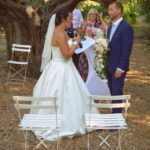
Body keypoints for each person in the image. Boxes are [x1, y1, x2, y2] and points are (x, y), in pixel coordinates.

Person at [31, 8, 99, 140]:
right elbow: (67, 55)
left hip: (59, 66)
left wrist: (75, 37)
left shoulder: (60, 32)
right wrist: (75, 41)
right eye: (70, 18)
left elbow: (66, 45)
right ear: (63, 19)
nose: (72, 20)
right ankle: (66, 123)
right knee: (63, 94)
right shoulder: (59, 34)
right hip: (62, 68)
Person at [107, 2, 134, 113]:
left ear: (119, 11)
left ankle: (116, 118)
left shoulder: (126, 28)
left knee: (117, 91)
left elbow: (126, 49)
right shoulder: (109, 28)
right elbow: (111, 46)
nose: (109, 12)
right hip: (109, 66)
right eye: (109, 10)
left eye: (111, 9)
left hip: (118, 67)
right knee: (113, 91)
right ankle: (116, 113)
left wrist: (120, 68)